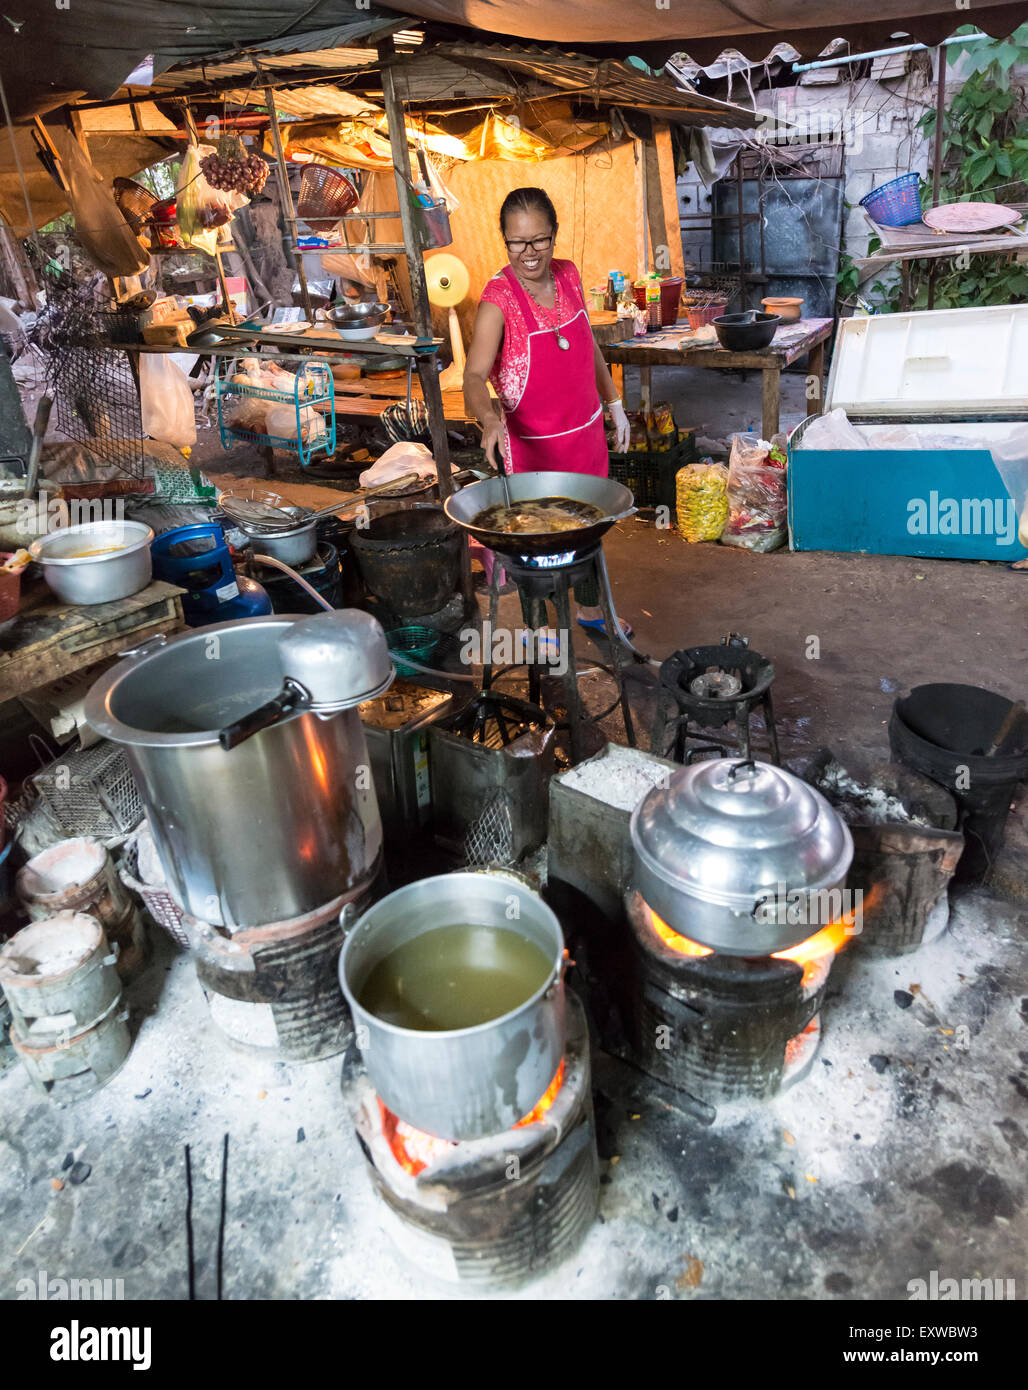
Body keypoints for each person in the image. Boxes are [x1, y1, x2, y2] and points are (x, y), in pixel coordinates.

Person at [463, 186, 631, 635]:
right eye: (517, 243)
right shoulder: (498, 303)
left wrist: (613, 402)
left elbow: (588, 344)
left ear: (555, 235)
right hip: (536, 453)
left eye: (540, 240)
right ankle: (546, 633)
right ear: (504, 240)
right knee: (541, 541)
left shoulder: (570, 275)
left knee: (591, 527)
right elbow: (473, 377)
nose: (530, 253)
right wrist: (490, 419)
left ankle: (593, 611)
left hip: (586, 437)